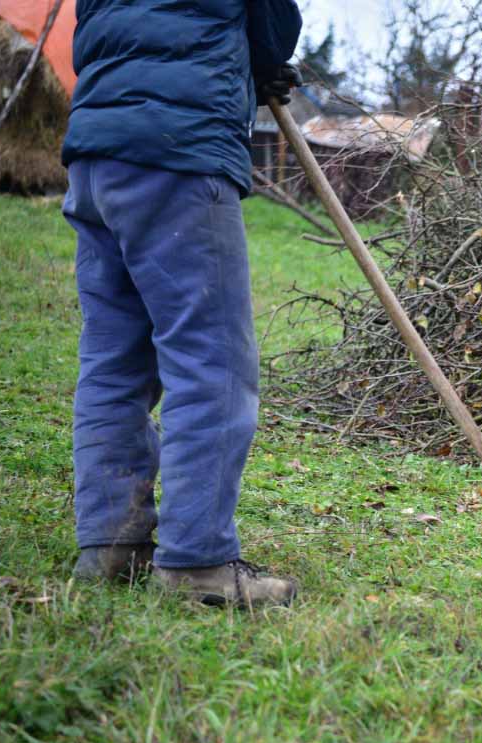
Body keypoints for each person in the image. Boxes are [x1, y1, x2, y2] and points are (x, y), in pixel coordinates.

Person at [62, 0, 304, 608]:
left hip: (96, 159)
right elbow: (275, 25)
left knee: (113, 361)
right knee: (212, 360)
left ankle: (113, 545)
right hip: (177, 153)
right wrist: (264, 63)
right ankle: (197, 563)